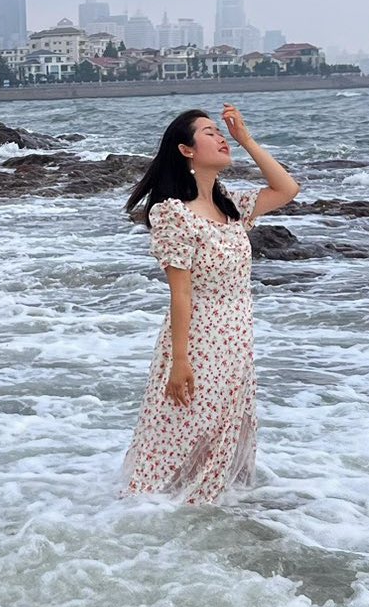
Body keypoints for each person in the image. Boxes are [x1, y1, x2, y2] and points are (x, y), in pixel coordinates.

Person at [119, 106, 300, 505]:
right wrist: (179, 361)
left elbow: (287, 189)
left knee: (222, 434)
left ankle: (212, 512)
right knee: (184, 431)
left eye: (221, 132)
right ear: (186, 149)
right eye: (210, 132)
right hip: (199, 342)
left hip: (236, 343)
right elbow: (179, 293)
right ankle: (150, 515)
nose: (221, 138)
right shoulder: (172, 213)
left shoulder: (231, 205)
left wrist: (246, 141)